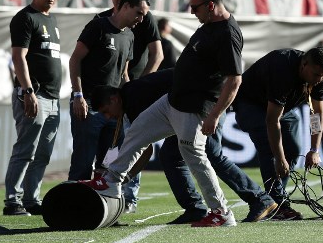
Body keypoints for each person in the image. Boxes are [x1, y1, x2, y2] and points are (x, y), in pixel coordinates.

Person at [80, 0, 243, 228]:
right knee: (137, 132)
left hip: (194, 108)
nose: (191, 12)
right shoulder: (208, 24)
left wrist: (215, 115)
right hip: (172, 101)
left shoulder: (227, 34)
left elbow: (234, 80)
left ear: (211, 5)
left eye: (195, 7)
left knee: (196, 158)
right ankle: (111, 180)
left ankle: (221, 212)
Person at [90, 71, 278, 224]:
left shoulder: (133, 99)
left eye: (106, 111)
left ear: (114, 98)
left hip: (207, 105)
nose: (107, 117)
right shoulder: (131, 96)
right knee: (171, 156)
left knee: (212, 154)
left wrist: (123, 178)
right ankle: (195, 209)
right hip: (188, 109)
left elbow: (145, 149)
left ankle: (259, 199)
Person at [233, 47, 323, 221]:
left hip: (281, 108)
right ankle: (278, 205)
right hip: (250, 103)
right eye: (317, 75)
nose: (320, 80)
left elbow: (316, 113)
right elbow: (272, 121)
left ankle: (275, 199)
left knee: (293, 149)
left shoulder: (319, 76)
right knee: (270, 149)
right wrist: (279, 159)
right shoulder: (282, 69)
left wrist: (314, 149)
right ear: (304, 64)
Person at [94, 0, 163, 213]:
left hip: (134, 91)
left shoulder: (144, 18)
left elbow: (157, 54)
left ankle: (129, 196)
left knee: (135, 142)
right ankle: (101, 189)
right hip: (113, 94)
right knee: (112, 145)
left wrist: (141, 86)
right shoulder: (102, 21)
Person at [68, 0, 149, 186]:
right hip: (88, 103)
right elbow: (75, 59)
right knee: (83, 161)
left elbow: (124, 74)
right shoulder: (98, 26)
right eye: (139, 12)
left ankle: (102, 211)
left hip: (114, 111)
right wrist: (78, 95)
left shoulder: (129, 35)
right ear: (126, 6)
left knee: (108, 164)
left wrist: (129, 104)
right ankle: (72, 209)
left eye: (144, 15)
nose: (141, 18)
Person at [4, 0, 63, 216]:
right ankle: (12, 201)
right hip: (34, 94)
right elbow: (18, 56)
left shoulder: (51, 20)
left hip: (53, 97)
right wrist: (27, 90)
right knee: (26, 149)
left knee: (43, 154)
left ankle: (31, 199)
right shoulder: (25, 18)